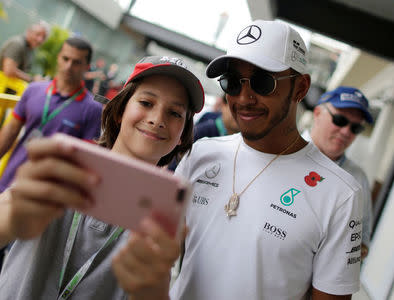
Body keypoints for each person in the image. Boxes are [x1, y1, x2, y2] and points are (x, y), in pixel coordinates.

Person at [112, 20, 364, 300]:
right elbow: (157, 257)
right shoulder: (201, 154)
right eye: (232, 82)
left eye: (262, 82)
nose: (244, 98)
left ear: (300, 88)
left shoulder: (341, 194)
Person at [0, 55, 204, 299]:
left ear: (183, 134)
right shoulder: (64, 170)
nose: (157, 119)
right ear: (119, 111)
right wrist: (12, 218)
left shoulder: (163, 219)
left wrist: (153, 291)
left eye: (175, 113)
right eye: (146, 103)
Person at [0, 36, 103, 300]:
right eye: (65, 59)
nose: (68, 66)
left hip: (44, 199)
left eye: (76, 62)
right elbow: (11, 129)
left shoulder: (91, 110)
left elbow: (85, 161)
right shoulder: (34, 91)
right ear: (58, 58)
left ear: (86, 66)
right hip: (9, 185)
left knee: (20, 263)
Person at [307, 86, 374, 259]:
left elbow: (363, 238)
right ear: (317, 114)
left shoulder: (358, 179)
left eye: (356, 128)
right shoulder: (283, 153)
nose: (346, 132)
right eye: (340, 120)